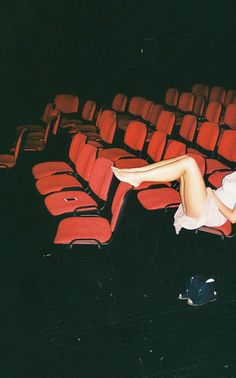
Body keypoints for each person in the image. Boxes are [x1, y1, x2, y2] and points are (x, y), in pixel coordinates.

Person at [111, 155, 236, 234]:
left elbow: (233, 218)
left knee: (189, 163)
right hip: (209, 200)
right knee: (185, 159)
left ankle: (138, 177)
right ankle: (137, 171)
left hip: (212, 212)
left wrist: (213, 197)